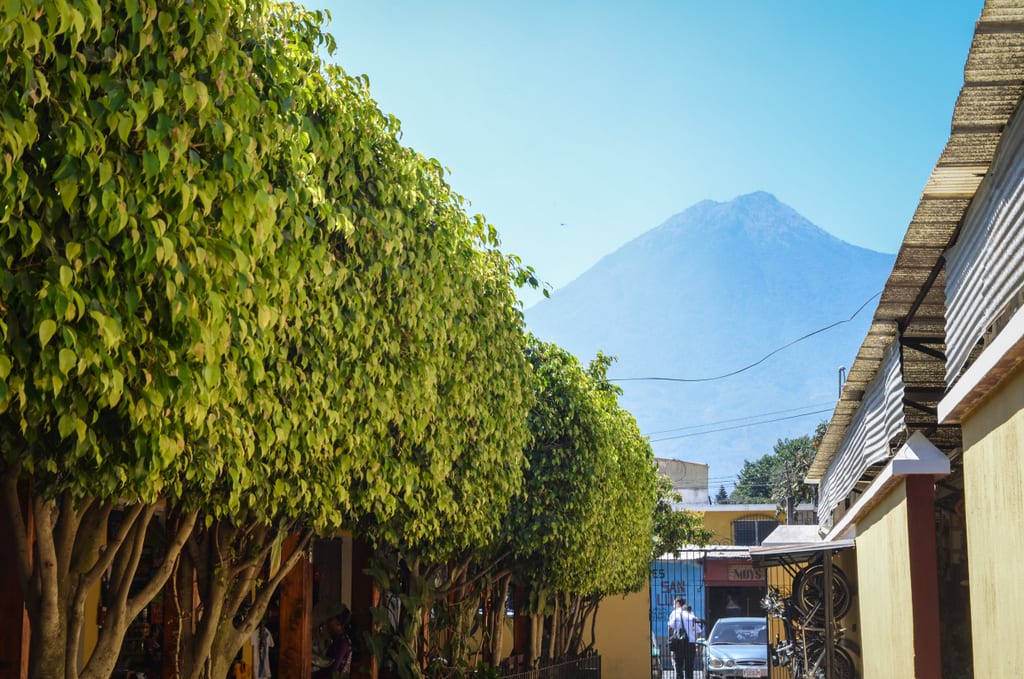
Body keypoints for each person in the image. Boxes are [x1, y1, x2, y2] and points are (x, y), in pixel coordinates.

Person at [313, 607, 352, 679]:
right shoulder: (338, 640)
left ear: (339, 623)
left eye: (331, 619)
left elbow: (333, 670)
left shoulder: (343, 642)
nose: (328, 622)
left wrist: (313, 675)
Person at [680, 605, 703, 679]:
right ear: (690, 610)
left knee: (679, 665)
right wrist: (697, 646)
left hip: (680, 643)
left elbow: (670, 628)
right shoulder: (693, 618)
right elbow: (699, 633)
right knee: (689, 665)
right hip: (691, 644)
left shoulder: (678, 617)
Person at [666, 597, 687, 677]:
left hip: (677, 642)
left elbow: (670, 628)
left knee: (677, 664)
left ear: (678, 603)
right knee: (688, 666)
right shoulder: (689, 612)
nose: (673, 605)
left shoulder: (674, 613)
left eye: (674, 603)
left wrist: (670, 639)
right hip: (688, 642)